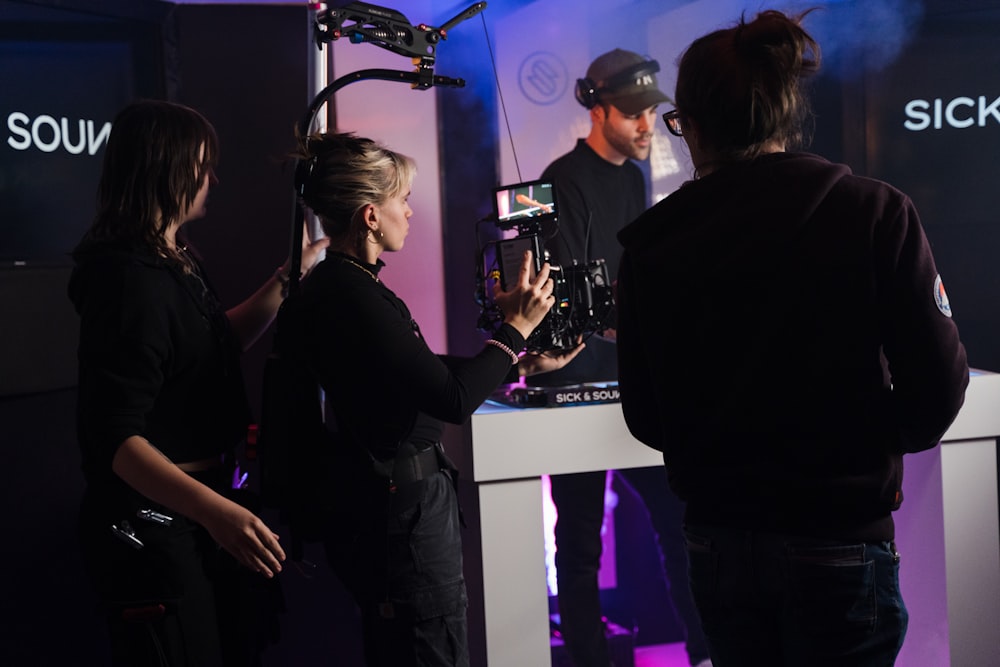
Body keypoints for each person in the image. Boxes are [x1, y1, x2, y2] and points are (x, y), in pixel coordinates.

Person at [615, 10, 969, 667]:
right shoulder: (874, 212)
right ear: (783, 113)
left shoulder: (653, 244)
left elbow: (645, 414)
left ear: (690, 125)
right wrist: (862, 442)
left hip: (717, 539)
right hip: (838, 536)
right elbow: (939, 389)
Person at [275, 131, 582, 667]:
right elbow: (451, 399)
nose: (410, 213)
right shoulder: (353, 296)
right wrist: (514, 332)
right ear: (371, 216)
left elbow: (415, 373)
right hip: (404, 522)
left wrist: (517, 362)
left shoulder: (338, 287)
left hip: (394, 512)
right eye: (402, 200)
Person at [68, 99, 329, 666]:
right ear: (166, 168)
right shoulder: (126, 281)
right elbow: (117, 440)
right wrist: (213, 512)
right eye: (201, 164)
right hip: (150, 525)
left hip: (189, 514)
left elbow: (213, 346)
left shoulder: (170, 259)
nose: (211, 178)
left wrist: (291, 275)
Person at [536, 48, 711, 667]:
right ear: (597, 107)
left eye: (650, 113)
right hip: (573, 384)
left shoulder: (634, 179)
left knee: (677, 519)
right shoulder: (562, 180)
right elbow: (570, 296)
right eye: (633, 113)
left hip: (632, 379)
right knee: (579, 543)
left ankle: (703, 651)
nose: (645, 126)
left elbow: (636, 277)